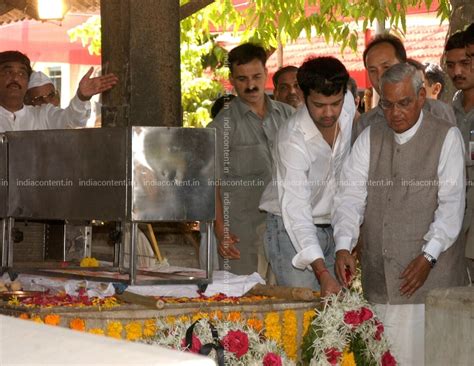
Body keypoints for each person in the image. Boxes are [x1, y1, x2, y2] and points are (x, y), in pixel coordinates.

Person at [333, 63, 468, 365]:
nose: (395, 113)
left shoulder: (447, 138)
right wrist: (343, 244)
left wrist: (428, 257)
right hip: (380, 282)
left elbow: (451, 208)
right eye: (387, 104)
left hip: (431, 282)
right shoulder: (370, 137)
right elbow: (350, 197)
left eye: (404, 103)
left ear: (422, 96)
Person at [259, 56, 355, 295]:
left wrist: (345, 244)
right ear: (302, 95)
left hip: (332, 224)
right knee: (305, 312)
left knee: (337, 314)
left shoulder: (349, 106)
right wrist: (322, 272)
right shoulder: (292, 137)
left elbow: (347, 188)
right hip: (289, 226)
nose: (329, 112)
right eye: (319, 104)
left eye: (336, 103)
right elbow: (296, 210)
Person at [207, 43, 294, 275]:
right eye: (242, 79)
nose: (251, 85)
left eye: (256, 76)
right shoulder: (222, 125)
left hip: (288, 230)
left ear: (266, 73)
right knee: (245, 300)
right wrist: (219, 228)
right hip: (241, 233)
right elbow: (209, 180)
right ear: (232, 80)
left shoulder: (290, 117)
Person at [353, 33, 456, 144]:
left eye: (386, 67)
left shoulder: (438, 112)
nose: (380, 76)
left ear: (403, 66)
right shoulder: (365, 124)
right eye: (372, 71)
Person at [0, 50, 118, 132]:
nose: (15, 78)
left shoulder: (43, 115)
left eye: (21, 73)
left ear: (26, 82)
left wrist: (81, 97)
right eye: (8, 72)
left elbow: (71, 121)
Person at [445, 30, 474, 275]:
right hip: (454, 219)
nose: (457, 72)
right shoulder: (446, 113)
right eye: (451, 65)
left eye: (465, 63)